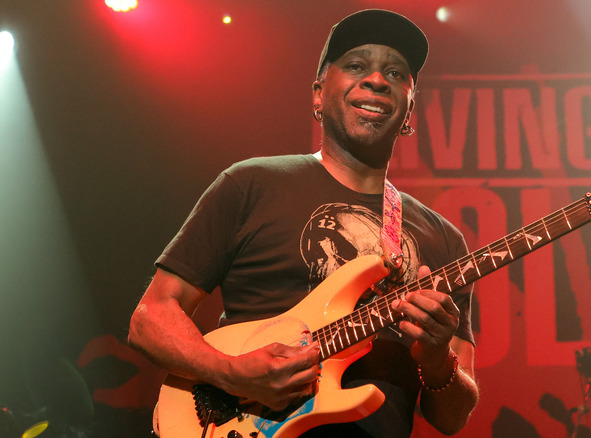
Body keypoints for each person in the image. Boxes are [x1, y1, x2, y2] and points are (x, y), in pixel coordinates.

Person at [128, 9, 478, 437]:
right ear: (317, 94)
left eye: (396, 72)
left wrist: (439, 358)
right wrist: (231, 373)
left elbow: (451, 418)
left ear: (408, 109)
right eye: (355, 65)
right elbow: (151, 317)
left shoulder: (444, 239)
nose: (376, 80)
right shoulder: (251, 184)